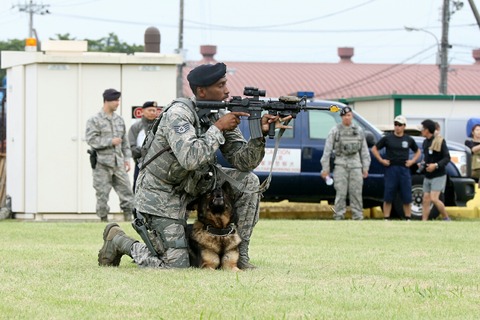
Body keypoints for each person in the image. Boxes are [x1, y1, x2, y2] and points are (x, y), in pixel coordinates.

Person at [98, 62, 291, 269]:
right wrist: (218, 128)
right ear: (201, 91)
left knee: (249, 182)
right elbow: (190, 159)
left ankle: (239, 255)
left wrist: (258, 136)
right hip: (162, 192)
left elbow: (243, 162)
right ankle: (119, 240)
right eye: (221, 85)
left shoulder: (216, 113)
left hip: (198, 184)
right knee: (176, 266)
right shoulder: (178, 114)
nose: (227, 91)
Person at [86, 88, 134, 222]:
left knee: (127, 192)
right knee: (102, 194)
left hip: (118, 163)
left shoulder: (119, 120)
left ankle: (128, 217)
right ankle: (103, 219)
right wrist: (110, 141)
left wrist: (127, 159)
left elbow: (125, 142)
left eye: (118, 100)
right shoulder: (94, 120)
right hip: (102, 163)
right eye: (115, 100)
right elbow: (91, 139)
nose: (118, 103)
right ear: (106, 101)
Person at [320, 106, 371, 220]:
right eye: (345, 116)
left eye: (349, 115)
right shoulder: (335, 131)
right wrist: (325, 169)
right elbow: (327, 151)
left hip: (355, 165)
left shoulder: (358, 131)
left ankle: (358, 216)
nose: (347, 118)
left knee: (356, 193)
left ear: (352, 116)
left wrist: (365, 167)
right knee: (341, 192)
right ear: (341, 117)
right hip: (340, 164)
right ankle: (338, 216)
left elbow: (364, 151)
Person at [371, 115, 421, 220]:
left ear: (404, 126)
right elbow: (374, 149)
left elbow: (418, 151)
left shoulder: (408, 139)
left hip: (404, 169)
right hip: (391, 169)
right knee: (388, 195)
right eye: (395, 124)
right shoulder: (387, 138)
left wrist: (412, 161)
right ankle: (386, 218)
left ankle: (408, 218)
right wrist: (381, 160)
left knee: (406, 195)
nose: (397, 127)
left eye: (399, 125)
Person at [420, 119, 451, 221]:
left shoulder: (440, 141)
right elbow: (427, 157)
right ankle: (424, 221)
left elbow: (447, 158)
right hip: (428, 175)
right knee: (425, 199)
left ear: (427, 130)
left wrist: (436, 165)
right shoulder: (425, 142)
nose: (421, 131)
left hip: (438, 175)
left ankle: (446, 217)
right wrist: (423, 164)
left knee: (434, 198)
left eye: (422, 128)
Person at [128, 101, 161, 193]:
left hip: (158, 164)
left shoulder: (160, 126)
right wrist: (146, 151)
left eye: (154, 111)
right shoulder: (136, 127)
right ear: (142, 111)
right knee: (138, 187)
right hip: (140, 164)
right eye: (150, 110)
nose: (152, 113)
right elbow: (132, 148)